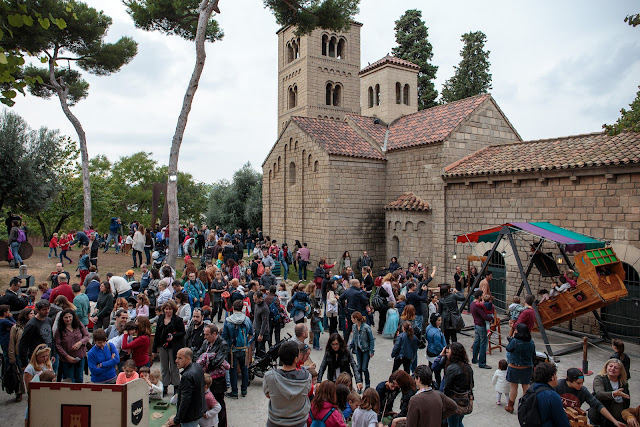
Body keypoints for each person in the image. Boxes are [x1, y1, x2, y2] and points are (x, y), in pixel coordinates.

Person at [556, 367, 626, 427]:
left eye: (582, 383)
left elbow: (598, 405)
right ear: (569, 380)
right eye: (578, 383)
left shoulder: (582, 390)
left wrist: (614, 421)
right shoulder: (558, 386)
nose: (581, 385)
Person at [264, 340, 312, 427]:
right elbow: (307, 393)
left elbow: (268, 395)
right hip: (299, 422)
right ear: (296, 359)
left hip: (275, 422)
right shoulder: (307, 377)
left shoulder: (269, 376)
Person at [195, 323, 229, 427]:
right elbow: (198, 354)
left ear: (214, 334)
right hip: (207, 379)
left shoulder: (223, 344)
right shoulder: (206, 342)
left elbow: (216, 362)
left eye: (207, 335)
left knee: (218, 404)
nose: (205, 337)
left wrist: (206, 360)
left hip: (218, 381)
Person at [153, 300, 186, 396]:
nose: (168, 311)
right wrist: (154, 349)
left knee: (174, 366)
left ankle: (176, 385)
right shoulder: (161, 319)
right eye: (166, 309)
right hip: (162, 346)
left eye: (170, 309)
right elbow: (157, 335)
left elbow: (182, 332)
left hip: (173, 347)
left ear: (173, 310)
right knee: (164, 367)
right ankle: (165, 385)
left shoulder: (178, 320)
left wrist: (173, 336)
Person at [222, 299, 254, 399]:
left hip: (232, 349)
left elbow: (224, 336)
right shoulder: (247, 319)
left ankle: (234, 391)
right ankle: (244, 390)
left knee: (233, 370)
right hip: (244, 348)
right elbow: (251, 333)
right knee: (244, 369)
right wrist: (247, 342)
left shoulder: (228, 320)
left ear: (233, 308)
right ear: (242, 308)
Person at [167, 348, 206, 427]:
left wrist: (176, 420)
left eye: (180, 358)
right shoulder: (197, 367)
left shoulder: (187, 376)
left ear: (188, 358)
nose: (176, 361)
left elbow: (185, 400)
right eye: (176, 357)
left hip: (190, 417)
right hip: (197, 412)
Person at [505, 323, 536, 413]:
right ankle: (526, 406)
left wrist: (512, 338)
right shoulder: (531, 342)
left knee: (513, 387)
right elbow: (533, 355)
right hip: (527, 367)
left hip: (514, 366)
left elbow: (508, 349)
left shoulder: (515, 341)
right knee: (525, 386)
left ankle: (510, 406)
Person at [589, 359, 630, 426]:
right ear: (606, 367)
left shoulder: (623, 383)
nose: (612, 369)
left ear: (620, 371)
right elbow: (599, 394)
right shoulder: (599, 379)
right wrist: (613, 394)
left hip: (617, 420)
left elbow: (626, 401)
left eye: (616, 368)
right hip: (599, 417)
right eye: (610, 366)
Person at [527, 362, 570, 427]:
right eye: (555, 374)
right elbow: (562, 421)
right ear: (552, 377)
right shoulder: (552, 396)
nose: (557, 377)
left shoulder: (532, 388)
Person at [442, 342, 474, 427]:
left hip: (454, 401)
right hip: (464, 401)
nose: (447, 351)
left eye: (450, 350)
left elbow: (447, 388)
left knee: (453, 424)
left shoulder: (451, 368)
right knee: (459, 422)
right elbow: (472, 384)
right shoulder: (467, 367)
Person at [54, 308, 89, 383]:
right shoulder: (60, 330)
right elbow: (58, 345)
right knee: (69, 380)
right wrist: (67, 356)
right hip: (67, 360)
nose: (68, 319)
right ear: (62, 318)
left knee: (79, 378)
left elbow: (86, 336)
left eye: (70, 317)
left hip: (80, 358)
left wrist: (80, 343)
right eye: (66, 317)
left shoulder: (78, 325)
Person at [18, 300, 53, 368]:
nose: (47, 311)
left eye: (48, 308)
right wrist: (24, 363)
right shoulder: (32, 324)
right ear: (38, 310)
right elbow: (23, 344)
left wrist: (53, 353)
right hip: (36, 357)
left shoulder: (48, 320)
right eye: (44, 309)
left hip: (48, 355)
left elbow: (51, 337)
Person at [8, 307, 32, 401]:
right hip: (19, 353)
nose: (33, 315)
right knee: (19, 374)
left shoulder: (32, 325)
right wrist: (11, 357)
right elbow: (12, 343)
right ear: (25, 316)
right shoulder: (16, 328)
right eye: (31, 313)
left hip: (30, 353)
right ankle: (20, 392)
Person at [349, 311, 375, 389]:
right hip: (358, 349)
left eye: (352, 318)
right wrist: (349, 347)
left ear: (356, 319)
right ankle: (359, 384)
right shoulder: (354, 326)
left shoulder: (366, 327)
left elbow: (371, 339)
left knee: (364, 368)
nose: (351, 320)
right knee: (359, 368)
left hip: (366, 350)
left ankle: (367, 384)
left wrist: (371, 350)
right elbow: (354, 338)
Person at [470, 289, 492, 369]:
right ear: (479, 297)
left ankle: (474, 359)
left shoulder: (472, 304)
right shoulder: (477, 305)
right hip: (481, 325)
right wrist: (491, 318)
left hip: (476, 324)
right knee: (483, 344)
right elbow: (484, 316)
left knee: (477, 341)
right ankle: (482, 362)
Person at [425, 313, 447, 387]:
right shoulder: (436, 333)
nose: (440, 322)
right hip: (436, 353)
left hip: (429, 350)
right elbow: (438, 345)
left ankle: (427, 382)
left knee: (430, 368)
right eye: (438, 320)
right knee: (437, 371)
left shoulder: (428, 327)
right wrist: (444, 351)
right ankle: (439, 385)